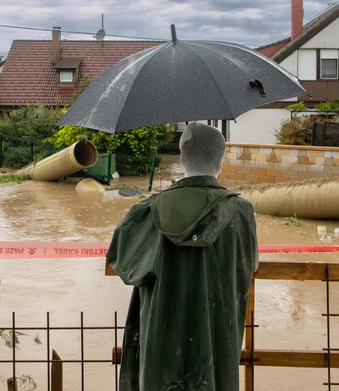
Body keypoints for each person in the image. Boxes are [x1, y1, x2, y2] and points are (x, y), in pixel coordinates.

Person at [107, 122, 259, 391]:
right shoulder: (241, 212)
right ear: (222, 160)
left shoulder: (148, 210)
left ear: (181, 158)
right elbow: (248, 266)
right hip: (216, 351)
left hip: (160, 356)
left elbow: (121, 259)